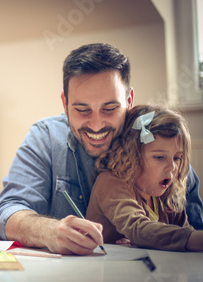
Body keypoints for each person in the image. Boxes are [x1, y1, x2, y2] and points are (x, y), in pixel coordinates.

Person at [0, 43, 203, 255]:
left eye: (110, 109)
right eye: (82, 110)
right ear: (65, 103)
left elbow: (195, 229)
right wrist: (51, 231)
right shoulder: (45, 137)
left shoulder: (154, 143)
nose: (96, 124)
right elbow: (7, 211)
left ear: (129, 101)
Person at [87, 105, 203, 251]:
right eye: (159, 157)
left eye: (177, 158)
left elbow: (184, 231)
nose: (172, 167)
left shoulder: (167, 193)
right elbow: (138, 228)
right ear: (132, 156)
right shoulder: (110, 183)